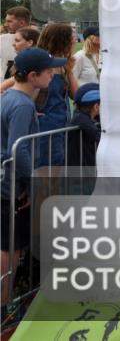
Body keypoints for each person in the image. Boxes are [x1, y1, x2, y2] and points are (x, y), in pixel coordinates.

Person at [1, 47, 66, 310]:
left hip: (8, 180)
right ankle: (4, 304)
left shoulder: (10, 98)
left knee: (10, 242)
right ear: (32, 76)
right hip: (10, 184)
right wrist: (31, 182)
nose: (53, 75)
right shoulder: (22, 104)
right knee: (9, 245)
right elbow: (18, 149)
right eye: (48, 71)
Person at [34, 23, 79, 167]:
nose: (74, 40)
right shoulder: (40, 62)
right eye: (71, 37)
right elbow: (16, 83)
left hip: (61, 126)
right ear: (61, 40)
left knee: (57, 167)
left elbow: (76, 96)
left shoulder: (62, 64)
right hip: (45, 127)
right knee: (46, 169)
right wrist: (28, 109)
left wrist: (69, 71)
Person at [67, 82, 101, 168]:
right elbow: (98, 135)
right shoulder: (81, 119)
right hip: (78, 170)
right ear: (96, 107)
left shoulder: (93, 118)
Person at [0, 7, 31, 79]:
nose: (5, 24)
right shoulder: (2, 39)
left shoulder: (37, 42)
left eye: (9, 21)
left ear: (22, 23)